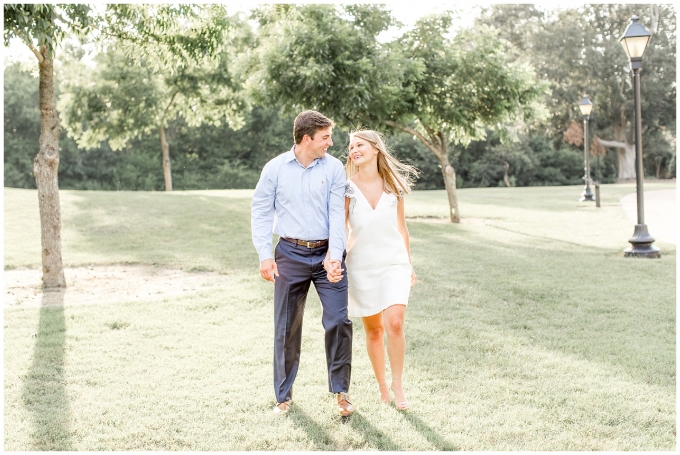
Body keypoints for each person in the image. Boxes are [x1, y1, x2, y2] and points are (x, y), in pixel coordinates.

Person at [251, 110, 354, 417]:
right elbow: (260, 212)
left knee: (338, 320)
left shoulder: (334, 168)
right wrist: (264, 255)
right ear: (307, 139)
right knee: (286, 327)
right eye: (325, 137)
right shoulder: (275, 169)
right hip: (289, 255)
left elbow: (338, 214)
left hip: (328, 254)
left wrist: (335, 256)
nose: (331, 143)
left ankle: (341, 393)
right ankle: (283, 397)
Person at [325, 129, 417, 411]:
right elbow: (339, 228)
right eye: (351, 146)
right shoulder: (346, 188)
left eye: (360, 145)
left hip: (394, 263)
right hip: (361, 266)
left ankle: (398, 383)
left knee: (395, 322)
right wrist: (333, 258)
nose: (354, 150)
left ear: (375, 148)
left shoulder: (394, 187)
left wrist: (409, 264)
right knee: (374, 330)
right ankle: (382, 386)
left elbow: (402, 229)